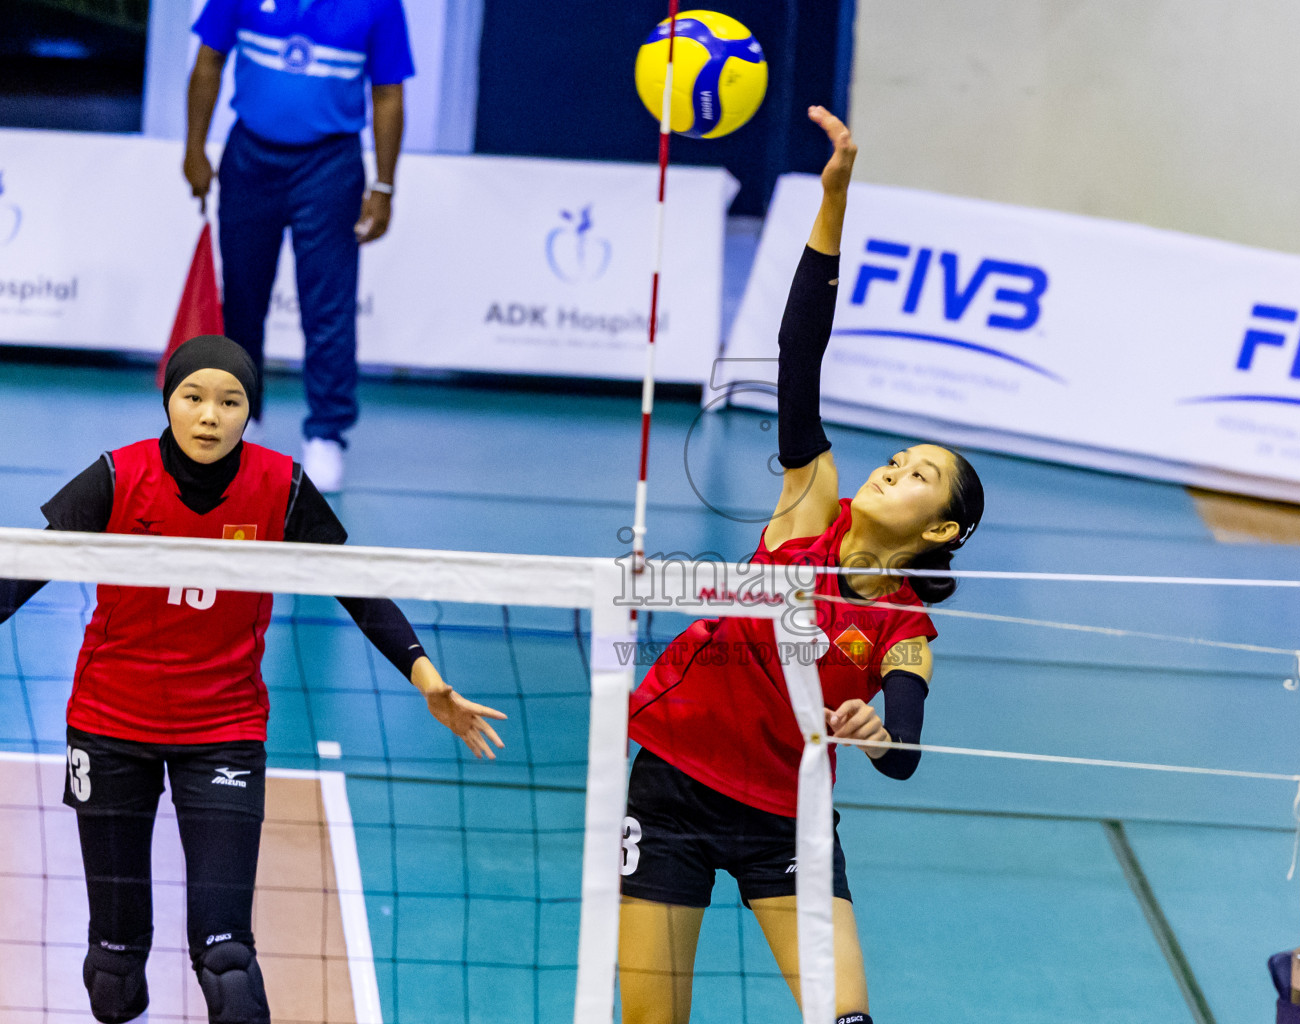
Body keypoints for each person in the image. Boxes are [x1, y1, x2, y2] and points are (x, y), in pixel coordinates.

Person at [0, 336, 505, 1024]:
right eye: (194, 397)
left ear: (249, 412)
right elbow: (22, 571)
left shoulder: (281, 485)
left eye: (229, 401)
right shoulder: (119, 477)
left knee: (228, 964)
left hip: (223, 734)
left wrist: (425, 676)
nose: (210, 415)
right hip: (110, 728)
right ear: (169, 402)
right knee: (112, 972)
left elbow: (353, 584)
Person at [617, 108, 985, 1024]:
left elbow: (901, 749)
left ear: (940, 532)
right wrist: (834, 202)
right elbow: (798, 353)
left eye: (921, 477)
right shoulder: (807, 512)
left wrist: (875, 725)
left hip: (785, 814)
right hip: (669, 780)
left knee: (847, 1019)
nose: (896, 467)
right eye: (899, 457)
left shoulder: (904, 627)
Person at [182, 0, 415, 492]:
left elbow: (388, 95)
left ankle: (327, 435)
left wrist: (385, 186)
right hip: (250, 158)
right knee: (242, 301)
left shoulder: (379, 6)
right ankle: (240, 422)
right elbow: (208, 61)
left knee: (327, 307)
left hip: (330, 165)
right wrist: (194, 147)